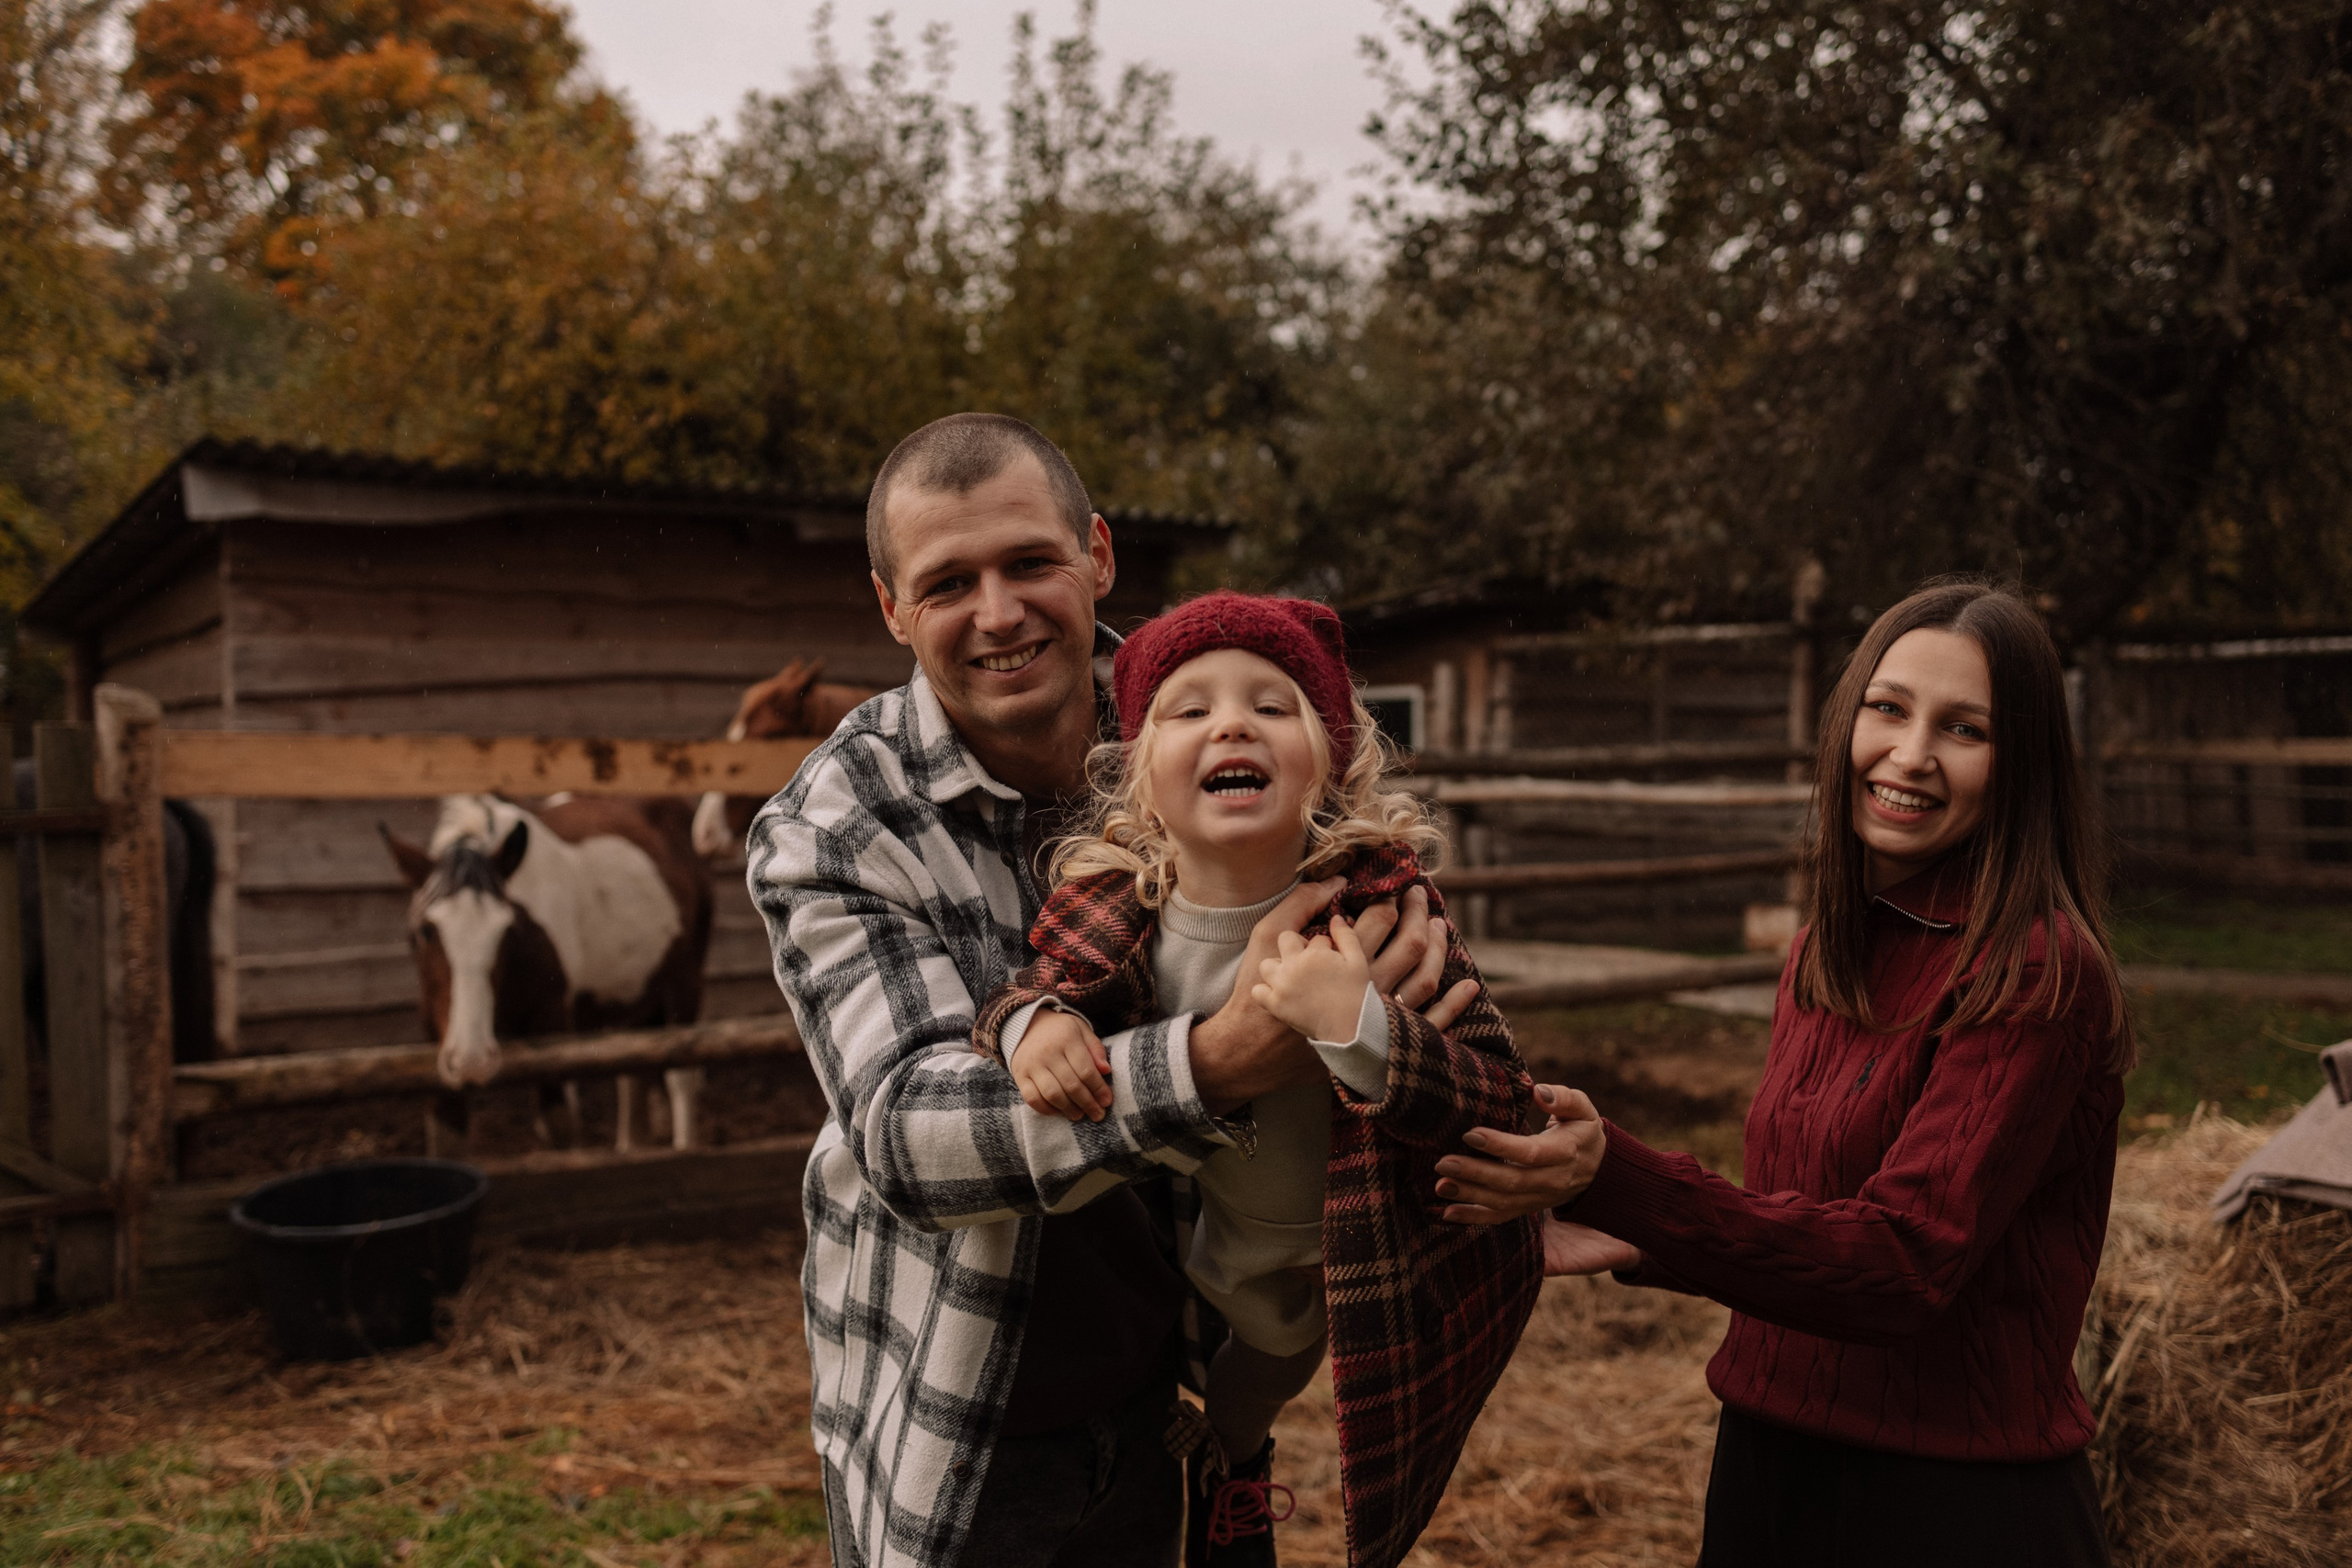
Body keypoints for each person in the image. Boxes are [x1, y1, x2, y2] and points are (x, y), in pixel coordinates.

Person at [748, 413, 1500, 1568]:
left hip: (1178, 1376)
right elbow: (908, 1136)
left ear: (1096, 556)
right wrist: (1228, 1053)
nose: (998, 613)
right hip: (964, 1411)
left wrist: (1432, 1039)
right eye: (948, 583)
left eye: (1029, 563)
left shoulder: (1201, 714)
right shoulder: (840, 823)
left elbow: (1365, 850)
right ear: (892, 610)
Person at [1435, 581, 2132, 1566]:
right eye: (1887, 708)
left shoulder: (2032, 971)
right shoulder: (1825, 952)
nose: (1910, 754)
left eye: (1963, 728)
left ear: (2019, 766)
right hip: (1768, 1466)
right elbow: (1808, 1217)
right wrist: (1636, 1242)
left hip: (1951, 1506)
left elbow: (1902, 1266)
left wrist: (1618, 1177)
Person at [975, 592, 1544, 1568]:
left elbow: (1496, 1093)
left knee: (1273, 1373)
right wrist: (1032, 1027)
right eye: (1188, 710)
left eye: (1271, 707)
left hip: (1350, 1247)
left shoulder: (1381, 915)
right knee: (1188, 1365)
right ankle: (1209, 1465)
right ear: (1140, 781)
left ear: (1328, 763)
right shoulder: (1117, 910)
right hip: (1186, 1233)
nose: (1231, 721)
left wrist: (1359, 1030)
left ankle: (1236, 1469)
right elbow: (1029, 989)